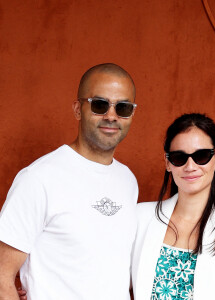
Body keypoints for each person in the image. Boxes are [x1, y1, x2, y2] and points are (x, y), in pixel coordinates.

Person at [0, 63, 138, 300]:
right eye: (99, 104)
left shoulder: (127, 180)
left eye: (123, 108)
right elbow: (1, 276)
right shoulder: (38, 178)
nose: (111, 116)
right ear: (77, 109)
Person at [132, 113, 215, 299]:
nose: (190, 166)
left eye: (201, 156)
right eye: (179, 157)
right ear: (168, 163)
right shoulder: (141, 216)